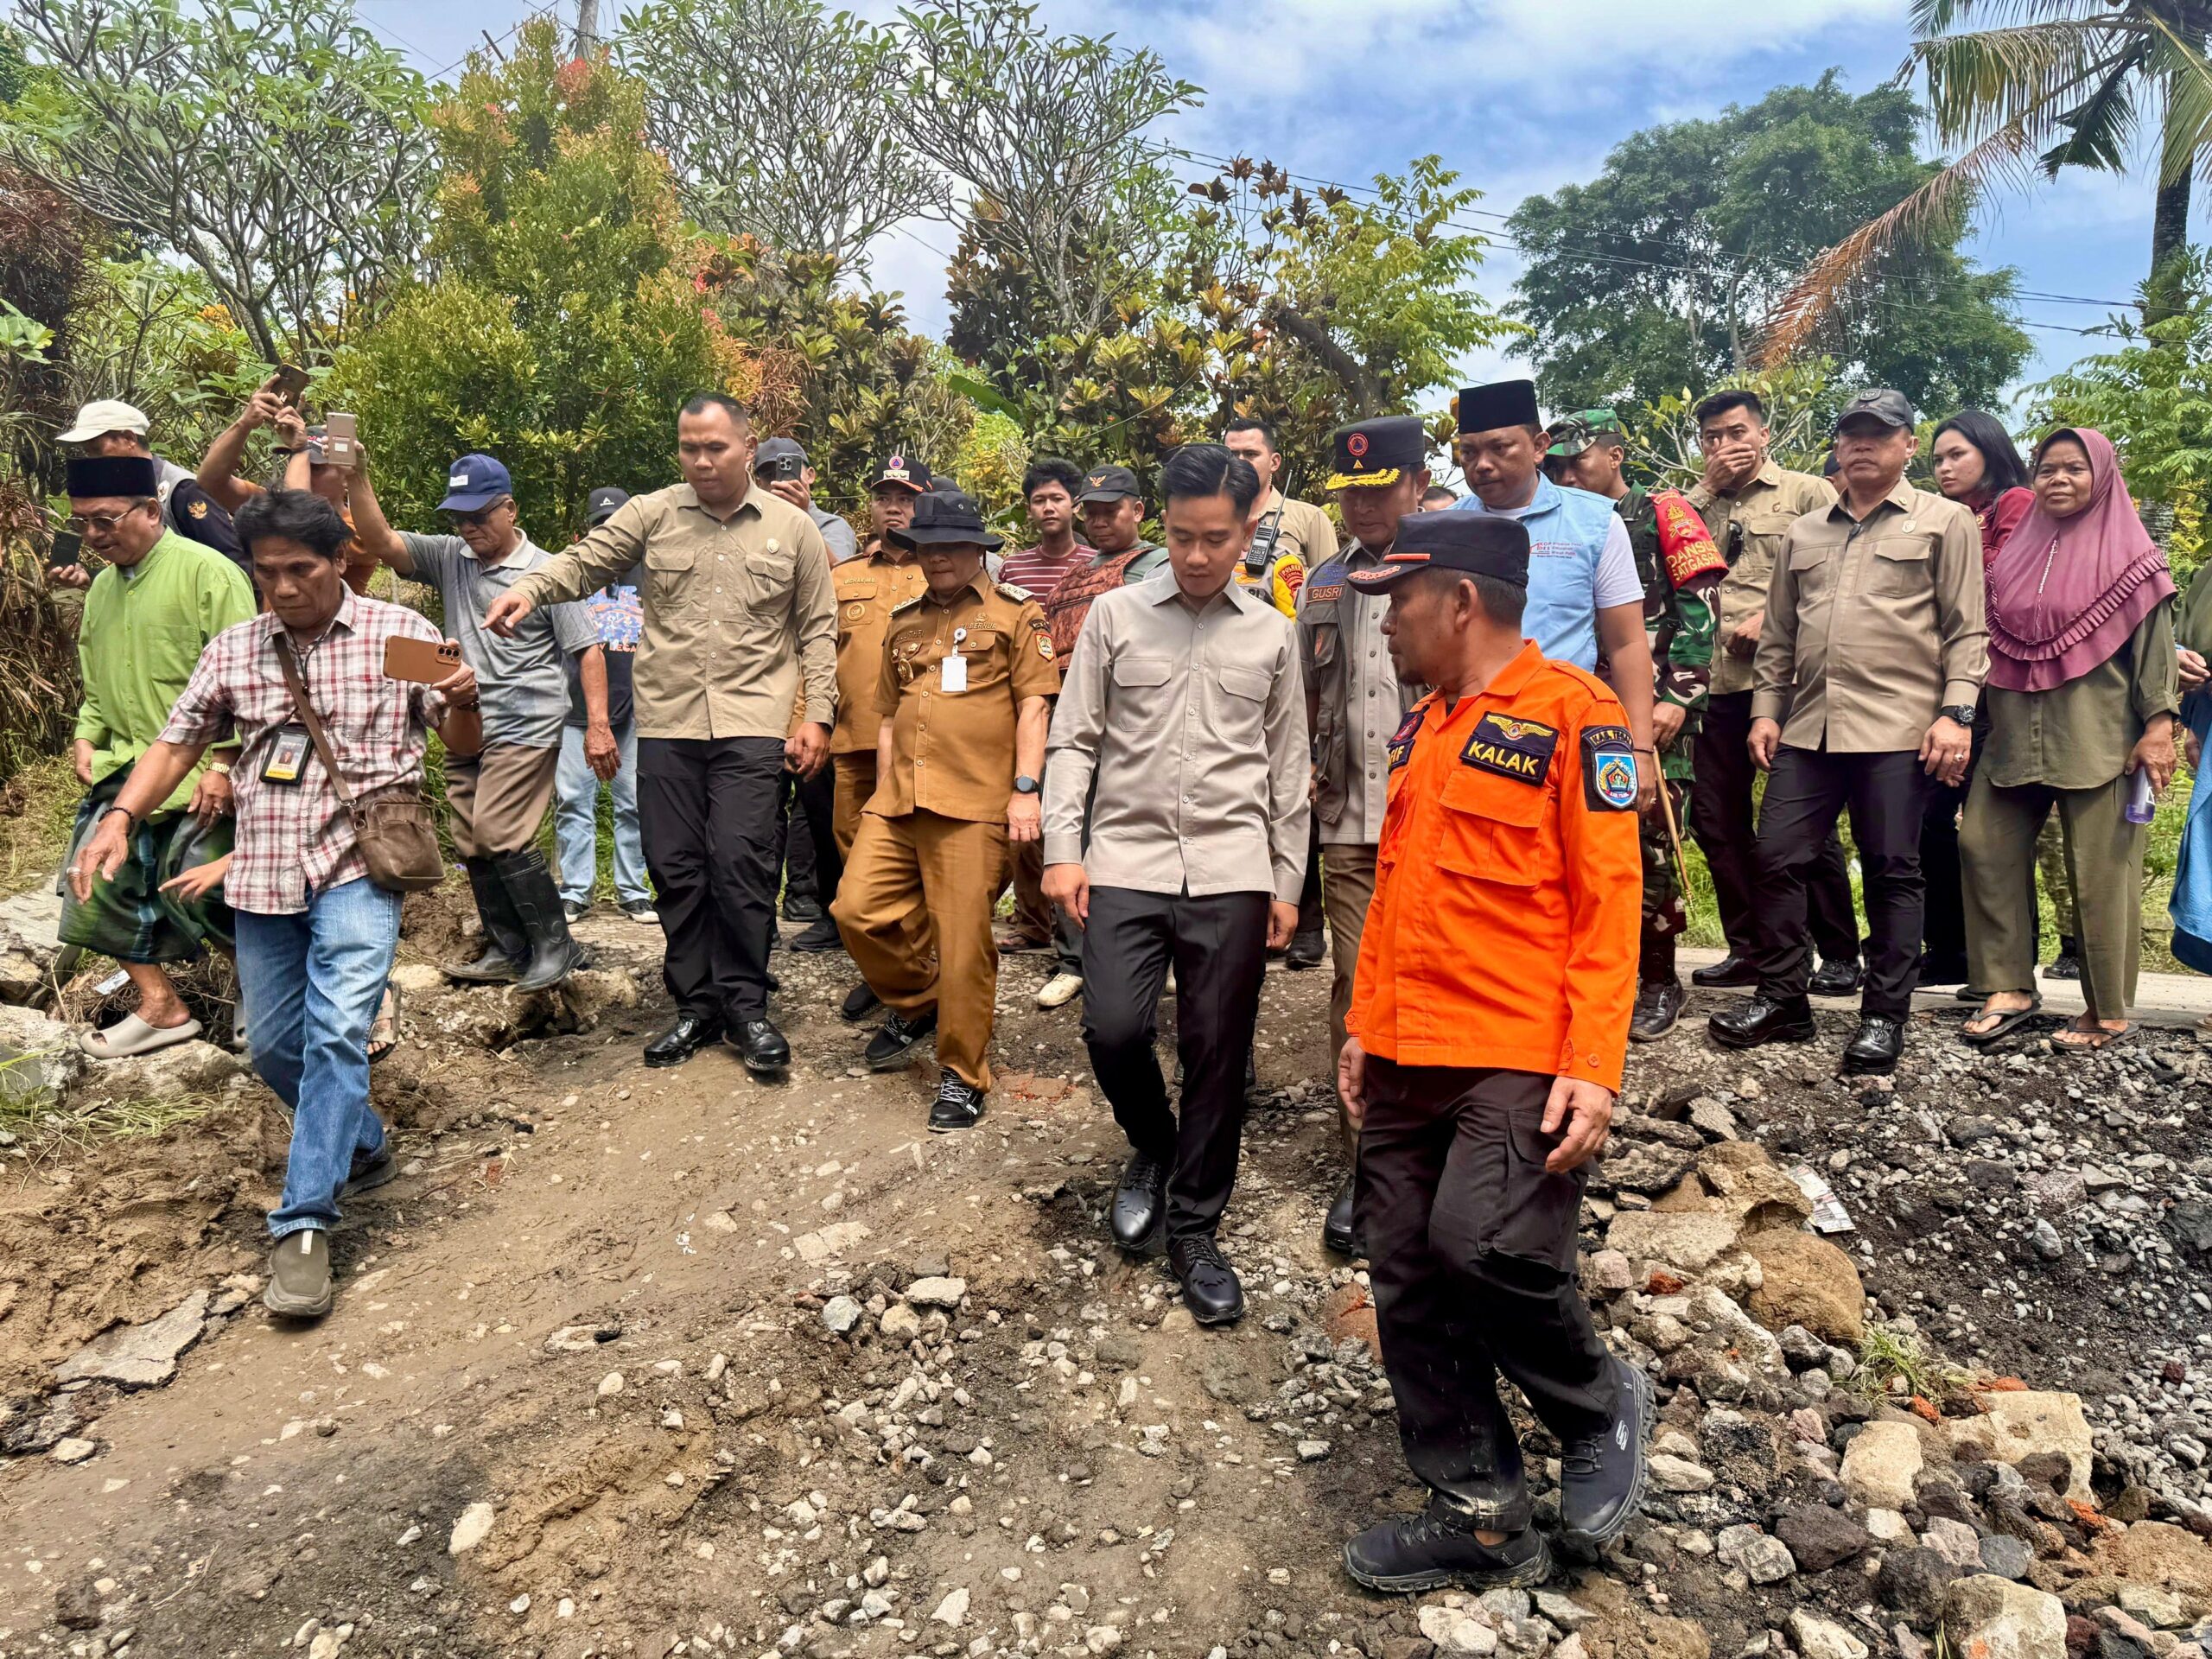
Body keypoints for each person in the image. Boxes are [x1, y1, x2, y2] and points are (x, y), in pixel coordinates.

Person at [1333, 509, 1649, 1591]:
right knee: (1404, 1266)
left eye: (1398, 603)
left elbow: (1613, 901)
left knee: (1482, 1243)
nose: (1384, 626)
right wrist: (1362, 1026)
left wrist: (1594, 1066)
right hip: (1408, 1044)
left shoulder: (1575, 715)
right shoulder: (1424, 726)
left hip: (1520, 1047)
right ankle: (1477, 1508)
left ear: (1458, 602)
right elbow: (1392, 895)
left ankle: (1597, 1405)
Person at [71, 489, 476, 1320]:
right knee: (274, 1047)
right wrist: (120, 817)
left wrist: (464, 696)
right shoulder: (236, 651)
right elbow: (180, 741)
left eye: (301, 570)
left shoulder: (398, 638)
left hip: (361, 866)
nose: (284, 589)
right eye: (267, 574)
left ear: (338, 564)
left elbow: (462, 739)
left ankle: (303, 1224)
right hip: (261, 875)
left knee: (336, 1032)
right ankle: (361, 1140)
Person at [485, 394, 836, 1076]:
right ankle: (696, 1007)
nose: (701, 462)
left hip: (753, 723)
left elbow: (819, 629)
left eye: (716, 448)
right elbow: (586, 562)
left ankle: (746, 1006)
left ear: (748, 446)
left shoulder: (792, 530)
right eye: (688, 448)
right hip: (670, 721)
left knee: (740, 864)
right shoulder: (654, 512)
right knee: (675, 869)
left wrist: (816, 713)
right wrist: (531, 589)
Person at [1044, 445, 1308, 1324]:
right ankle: (1153, 1147)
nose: (1198, 556)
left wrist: (1285, 879)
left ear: (1245, 534)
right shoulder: (1116, 617)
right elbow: (1074, 739)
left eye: (1216, 539)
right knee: (1113, 1026)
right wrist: (1061, 849)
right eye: (1183, 537)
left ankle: (1196, 1227)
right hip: (1125, 859)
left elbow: (1287, 767)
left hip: (1233, 869)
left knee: (1217, 1052)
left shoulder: (1271, 633)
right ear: (1163, 527)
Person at [1709, 390, 1986, 1076]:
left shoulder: (1944, 521)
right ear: (1837, 445)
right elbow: (1777, 636)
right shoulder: (1808, 532)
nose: (1861, 444)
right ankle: (1783, 1000)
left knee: (1893, 868)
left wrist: (1956, 713)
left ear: (1907, 445)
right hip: (1807, 726)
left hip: (1898, 727)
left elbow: (1967, 629)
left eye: (1878, 434)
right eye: (1850, 434)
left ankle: (1884, 1017)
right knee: (1775, 857)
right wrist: (1767, 709)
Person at [831, 492, 1057, 1129]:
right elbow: (886, 713)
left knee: (963, 945)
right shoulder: (902, 619)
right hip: (899, 797)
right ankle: (924, 1002)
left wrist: (1025, 789)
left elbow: (1035, 705)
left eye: (952, 546)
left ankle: (962, 1073)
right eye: (928, 548)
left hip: (975, 802)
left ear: (978, 549)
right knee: (856, 912)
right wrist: (880, 791)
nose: (939, 559)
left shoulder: (1017, 614)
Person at [348, 451, 603, 992]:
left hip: (526, 720)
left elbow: (588, 650)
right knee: (471, 839)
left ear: (509, 510)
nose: (468, 527)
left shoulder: (547, 571)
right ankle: (508, 947)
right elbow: (381, 541)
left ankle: (557, 945)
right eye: (459, 518)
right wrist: (357, 477)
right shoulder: (451, 558)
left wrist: (599, 726)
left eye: (480, 515)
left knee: (499, 832)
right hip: (466, 722)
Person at [1960, 429, 2178, 1053]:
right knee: (1981, 842)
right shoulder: (2013, 556)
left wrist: (2159, 728)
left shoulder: (2137, 559)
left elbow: (2155, 657)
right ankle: (2008, 987)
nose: (2057, 480)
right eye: (2046, 469)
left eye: (2073, 469)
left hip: (2100, 735)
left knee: (2100, 873)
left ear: (2102, 475)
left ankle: (2106, 1010)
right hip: (2011, 736)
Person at [54, 454, 257, 1058]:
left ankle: (260, 991)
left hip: (199, 774)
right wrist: (85, 735)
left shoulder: (209, 574)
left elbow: (246, 680)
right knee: (92, 882)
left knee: (210, 892)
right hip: (128, 767)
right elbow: (97, 686)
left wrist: (224, 763)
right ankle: (162, 1007)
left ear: (149, 510)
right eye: (84, 523)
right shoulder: (102, 593)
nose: (93, 536)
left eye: (106, 520)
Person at [1548, 410, 1726, 1040]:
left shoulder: (1664, 510)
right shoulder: (1563, 520)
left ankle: (1658, 981)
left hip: (1652, 711)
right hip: (1580, 706)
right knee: (1582, 846)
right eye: (1558, 466)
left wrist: (1680, 694)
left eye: (1578, 460)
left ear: (1615, 453)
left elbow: (1701, 605)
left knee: (1650, 844)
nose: (1567, 474)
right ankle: (1600, 978)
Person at [1682, 390, 1864, 997]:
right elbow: (1669, 574)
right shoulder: (1689, 506)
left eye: (1736, 433)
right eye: (1711, 437)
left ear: (1764, 435)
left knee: (1799, 821)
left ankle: (1839, 951)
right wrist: (1706, 493)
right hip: (1709, 687)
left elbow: (1845, 576)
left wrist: (1772, 618)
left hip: (1785, 685)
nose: (1725, 447)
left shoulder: (1809, 494)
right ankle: (1752, 949)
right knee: (1716, 820)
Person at [1301, 416, 1431, 1256]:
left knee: (1435, 989)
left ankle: (1450, 1163)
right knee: (1359, 990)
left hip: (1437, 819)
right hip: (1349, 820)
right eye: (1350, 492)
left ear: (1416, 484)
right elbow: (1303, 687)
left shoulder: (1451, 564)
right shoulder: (1321, 580)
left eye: (1380, 488)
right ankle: (1366, 1172)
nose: (1363, 506)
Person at [1449, 380, 1658, 817]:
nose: (1482, 465)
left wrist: (1639, 750)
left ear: (1539, 446)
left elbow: (1627, 644)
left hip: (1563, 734)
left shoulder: (1596, 523)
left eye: (1499, 448)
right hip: (1463, 736)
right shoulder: (1447, 530)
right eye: (1468, 453)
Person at [1030, 464, 1173, 1011]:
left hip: (1140, 729)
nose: (1098, 520)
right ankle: (1073, 959)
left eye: (1110, 509)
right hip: (1077, 723)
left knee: (1141, 844)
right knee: (1071, 839)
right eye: (1090, 510)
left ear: (1138, 510)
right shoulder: (1072, 576)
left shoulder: (1160, 564)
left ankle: (1156, 958)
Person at [1924, 412, 2039, 988]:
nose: (1944, 467)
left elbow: (2002, 587)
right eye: (1938, 459)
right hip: (1949, 685)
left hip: (2000, 689)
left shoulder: (2014, 503)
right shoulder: (1951, 515)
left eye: (1956, 455)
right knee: (1935, 822)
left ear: (1990, 453)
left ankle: (2002, 961)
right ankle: (1953, 949)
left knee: (1991, 828)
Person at [826, 456, 938, 1013]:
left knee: (916, 858)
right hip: (855, 741)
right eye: (884, 497)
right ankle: (891, 971)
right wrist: (811, 721)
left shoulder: (943, 570)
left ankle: (914, 973)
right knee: (857, 860)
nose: (894, 506)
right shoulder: (842, 576)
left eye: (907, 498)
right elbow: (818, 656)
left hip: (925, 746)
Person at [995, 458, 1092, 958]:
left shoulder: (1095, 562)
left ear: (1074, 504)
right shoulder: (1013, 566)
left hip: (1081, 699)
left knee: (1072, 812)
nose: (1048, 507)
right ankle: (1033, 921)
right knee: (1026, 814)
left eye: (1056, 498)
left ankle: (1077, 927)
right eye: (1039, 500)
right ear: (1029, 508)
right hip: (1027, 701)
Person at [553, 487, 656, 927]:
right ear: (586, 532)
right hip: (576, 709)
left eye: (616, 526)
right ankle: (576, 892)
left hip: (637, 709)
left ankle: (634, 891)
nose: (609, 533)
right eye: (601, 526)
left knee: (633, 803)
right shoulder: (570, 575)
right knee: (574, 801)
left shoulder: (651, 572)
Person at [195, 381, 383, 595]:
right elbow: (210, 482)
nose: (304, 472)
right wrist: (245, 423)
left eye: (316, 468)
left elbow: (300, 524)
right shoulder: (271, 506)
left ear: (345, 477)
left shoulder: (360, 530)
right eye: (298, 464)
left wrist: (300, 449)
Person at [57, 398, 242, 569]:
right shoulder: (114, 493)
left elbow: (234, 560)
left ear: (129, 439)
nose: (93, 460)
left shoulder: (181, 490)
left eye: (97, 450)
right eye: (88, 453)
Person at [753, 435, 857, 563]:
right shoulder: (753, 527)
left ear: (810, 475)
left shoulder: (831, 526)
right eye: (769, 476)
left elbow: (839, 576)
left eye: (789, 472)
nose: (779, 482)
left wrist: (803, 518)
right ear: (759, 484)